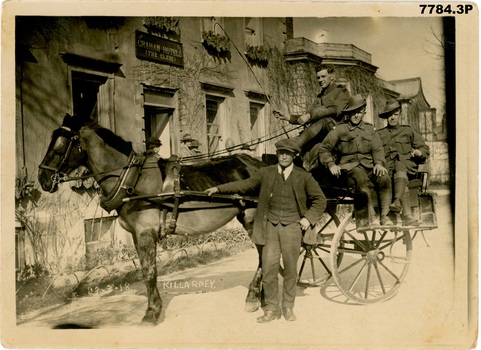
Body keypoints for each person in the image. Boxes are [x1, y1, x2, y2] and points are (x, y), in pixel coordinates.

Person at [204, 139, 326, 323]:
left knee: (291, 270)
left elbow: (320, 200)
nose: (284, 156)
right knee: (269, 269)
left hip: (292, 228)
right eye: (281, 153)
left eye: (288, 153)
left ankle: (288, 307)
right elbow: (243, 185)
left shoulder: (304, 176)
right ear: (277, 154)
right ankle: (271, 309)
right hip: (269, 228)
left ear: (294, 156)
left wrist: (307, 219)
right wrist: (219, 188)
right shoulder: (266, 173)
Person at [317, 95, 393, 226]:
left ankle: (385, 216)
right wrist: (331, 164)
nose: (356, 115)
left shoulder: (370, 129)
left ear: (364, 112)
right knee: (360, 177)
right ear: (348, 114)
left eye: (359, 112)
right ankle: (371, 217)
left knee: (384, 177)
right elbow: (324, 148)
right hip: (349, 169)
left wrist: (379, 164)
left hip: (369, 166)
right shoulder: (340, 129)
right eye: (353, 112)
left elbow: (377, 149)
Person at [274, 65, 350, 167]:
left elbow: (335, 109)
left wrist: (310, 115)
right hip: (322, 132)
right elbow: (307, 116)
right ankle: (292, 147)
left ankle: (294, 146)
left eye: (323, 76)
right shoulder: (320, 96)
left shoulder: (342, 91)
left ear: (332, 77)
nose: (320, 80)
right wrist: (289, 117)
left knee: (322, 121)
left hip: (337, 129)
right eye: (318, 77)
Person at [377, 99, 430, 225]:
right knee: (397, 174)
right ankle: (406, 215)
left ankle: (396, 202)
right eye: (389, 115)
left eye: (395, 114)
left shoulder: (408, 131)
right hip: (389, 168)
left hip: (407, 165)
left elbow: (424, 148)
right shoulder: (379, 134)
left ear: (400, 114)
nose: (392, 118)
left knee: (400, 165)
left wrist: (419, 152)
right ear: (386, 117)